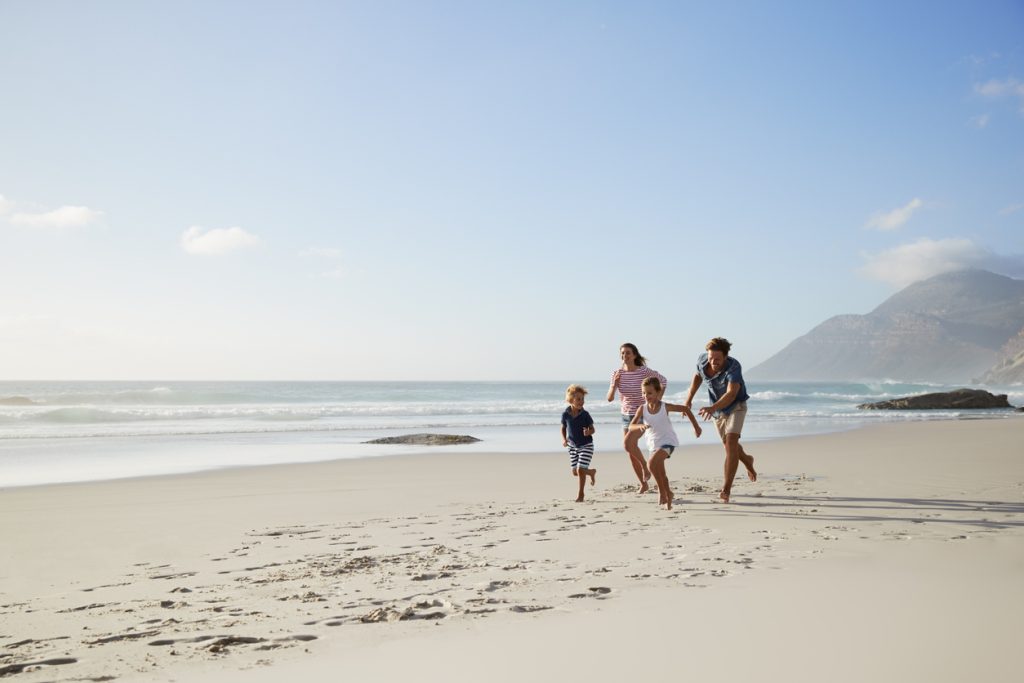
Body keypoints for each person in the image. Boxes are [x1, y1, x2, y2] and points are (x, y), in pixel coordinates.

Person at [683, 337, 757, 503]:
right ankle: (747, 460)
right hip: (717, 410)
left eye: (717, 359)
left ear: (725, 357)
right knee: (729, 446)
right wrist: (688, 399)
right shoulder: (703, 361)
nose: (712, 362)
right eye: (710, 358)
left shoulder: (733, 366)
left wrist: (711, 408)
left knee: (730, 443)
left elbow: (731, 393)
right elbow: (698, 377)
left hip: (736, 405)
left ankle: (726, 490)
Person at [628, 376, 701, 510]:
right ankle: (669, 493)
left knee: (650, 465)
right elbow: (631, 426)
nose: (646, 396)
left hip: (668, 442)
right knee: (661, 473)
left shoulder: (664, 407)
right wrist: (640, 427)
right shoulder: (642, 409)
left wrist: (696, 427)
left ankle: (662, 493)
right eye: (644, 393)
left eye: (649, 393)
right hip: (653, 445)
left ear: (658, 392)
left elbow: (685, 409)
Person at [606, 343, 667, 493]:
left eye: (628, 353)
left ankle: (646, 468)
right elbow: (609, 398)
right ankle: (643, 483)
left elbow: (663, 381)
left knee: (627, 445)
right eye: (622, 353)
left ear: (634, 355)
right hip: (625, 415)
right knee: (631, 451)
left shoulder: (643, 371)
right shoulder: (617, 373)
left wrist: (656, 401)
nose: (624, 356)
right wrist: (614, 384)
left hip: (642, 414)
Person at [560, 384, 597, 502]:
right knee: (575, 472)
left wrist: (588, 432)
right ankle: (590, 472)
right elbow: (563, 428)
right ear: (571, 400)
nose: (582, 401)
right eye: (578, 399)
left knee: (580, 470)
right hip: (572, 446)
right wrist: (564, 439)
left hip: (586, 445)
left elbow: (593, 429)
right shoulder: (565, 414)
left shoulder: (585, 414)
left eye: (583, 399)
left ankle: (581, 495)